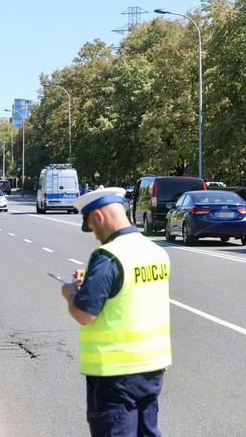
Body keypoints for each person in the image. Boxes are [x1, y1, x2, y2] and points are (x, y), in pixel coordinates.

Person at [59, 187, 172, 436]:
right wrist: (90, 283)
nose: (95, 236)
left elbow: (84, 313)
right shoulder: (155, 251)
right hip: (152, 369)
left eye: (93, 227)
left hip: (114, 375)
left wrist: (70, 293)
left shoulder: (108, 256)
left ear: (98, 217)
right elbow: (128, 294)